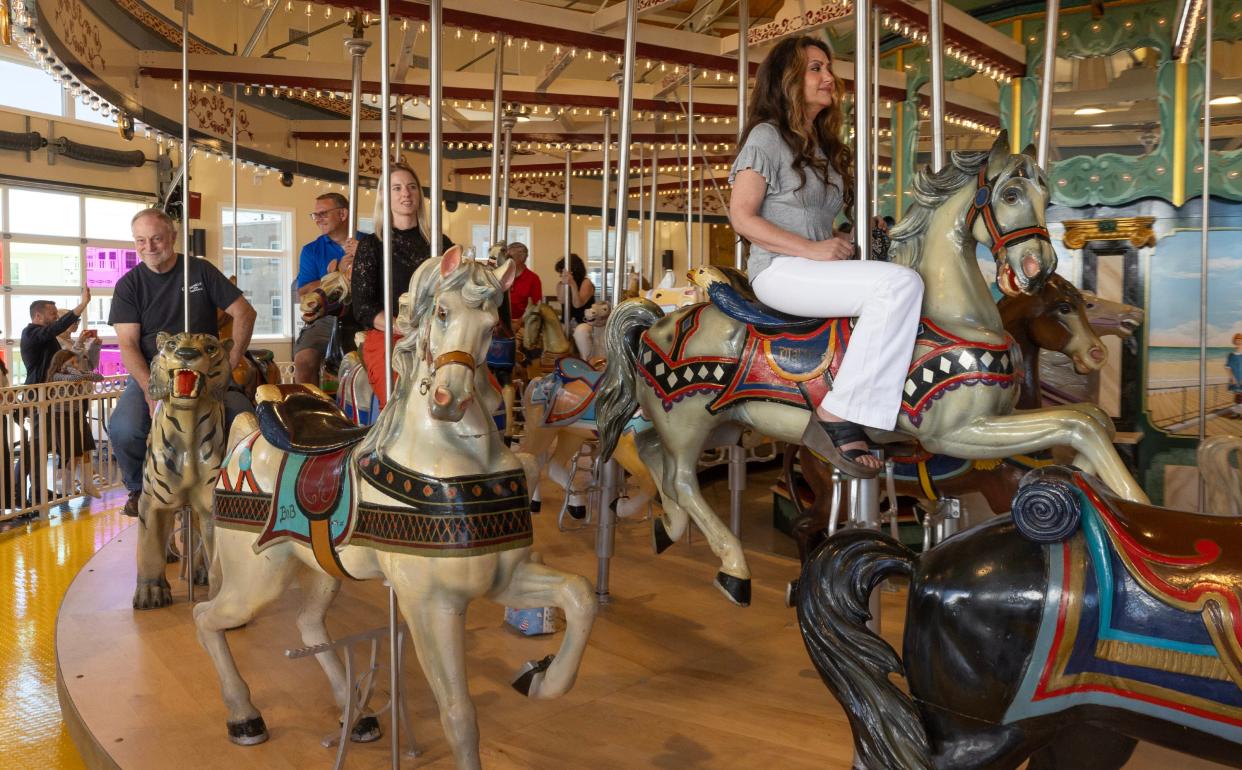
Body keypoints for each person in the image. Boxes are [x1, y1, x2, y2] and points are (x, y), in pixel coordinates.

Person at [728, 35, 924, 479]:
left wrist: (851, 235)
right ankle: (838, 413)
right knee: (898, 285)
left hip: (814, 265)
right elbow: (742, 217)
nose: (828, 77)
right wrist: (815, 249)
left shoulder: (822, 146)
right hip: (778, 269)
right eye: (815, 68)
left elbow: (815, 224)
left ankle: (876, 408)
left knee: (907, 279)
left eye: (826, 67)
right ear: (786, 80)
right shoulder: (767, 137)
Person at [109, 208, 258, 518]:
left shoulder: (200, 272)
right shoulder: (129, 285)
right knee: (124, 429)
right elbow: (128, 344)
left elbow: (244, 312)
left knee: (243, 419)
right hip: (158, 372)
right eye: (140, 240)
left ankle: (241, 488)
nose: (148, 247)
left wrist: (229, 363)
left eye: (156, 239)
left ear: (173, 238)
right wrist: (149, 388)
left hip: (205, 370)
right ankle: (139, 487)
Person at [351, 163, 453, 407]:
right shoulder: (372, 245)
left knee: (484, 386)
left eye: (411, 187)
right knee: (401, 394)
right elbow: (364, 307)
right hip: (391, 335)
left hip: (437, 335)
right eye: (396, 188)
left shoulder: (440, 243)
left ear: (419, 193)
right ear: (384, 197)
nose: (405, 194)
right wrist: (402, 328)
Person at [294, 192, 360, 384]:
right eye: (315, 215)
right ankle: (308, 408)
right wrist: (336, 275)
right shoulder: (311, 250)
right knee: (304, 360)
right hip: (326, 317)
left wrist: (363, 257)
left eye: (323, 214)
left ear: (343, 214)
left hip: (363, 314)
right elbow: (304, 292)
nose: (317, 219)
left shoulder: (368, 243)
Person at [47, 347, 102, 498]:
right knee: (73, 451)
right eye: (72, 363)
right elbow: (75, 379)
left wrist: (81, 372)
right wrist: (72, 370)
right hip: (62, 416)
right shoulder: (56, 376)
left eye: (76, 362)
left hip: (77, 414)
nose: (75, 365)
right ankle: (66, 484)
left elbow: (99, 377)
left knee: (86, 447)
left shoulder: (76, 373)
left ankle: (87, 484)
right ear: (62, 364)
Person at [21, 293, 90, 385]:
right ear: (38, 316)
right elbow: (58, 326)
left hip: (52, 390)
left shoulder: (48, 335)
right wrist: (83, 304)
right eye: (53, 314)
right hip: (38, 391)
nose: (57, 317)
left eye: (57, 313)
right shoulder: (29, 333)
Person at [505, 242, 543, 324]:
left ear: (522, 257)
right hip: (500, 323)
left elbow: (534, 307)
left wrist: (518, 324)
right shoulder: (502, 276)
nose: (505, 260)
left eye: (509, 257)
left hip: (523, 324)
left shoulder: (533, 279)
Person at [1227, 333, 1242, 419]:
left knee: (1241, 396)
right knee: (1237, 396)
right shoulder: (1231, 354)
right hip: (1235, 378)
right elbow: (1228, 367)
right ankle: (1237, 413)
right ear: (1234, 341)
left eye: (1240, 340)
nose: (1239, 341)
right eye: (1237, 340)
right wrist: (1232, 377)